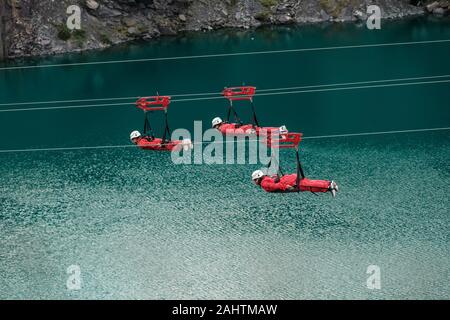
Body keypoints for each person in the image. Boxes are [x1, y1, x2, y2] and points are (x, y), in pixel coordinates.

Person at [251, 170, 339, 197]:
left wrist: (286, 186)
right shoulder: (267, 178)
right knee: (308, 186)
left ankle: (329, 185)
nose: (255, 182)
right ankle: (328, 187)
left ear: (258, 178)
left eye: (255, 180)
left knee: (308, 184)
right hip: (289, 179)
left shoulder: (264, 183)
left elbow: (275, 185)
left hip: (290, 182)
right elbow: (274, 180)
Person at [212, 117, 288, 136]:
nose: (215, 129)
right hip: (245, 128)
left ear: (217, 125)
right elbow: (235, 126)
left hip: (245, 130)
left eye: (215, 127)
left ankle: (280, 130)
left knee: (262, 131)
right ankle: (280, 129)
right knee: (262, 130)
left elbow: (235, 132)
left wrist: (247, 132)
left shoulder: (223, 129)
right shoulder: (226, 125)